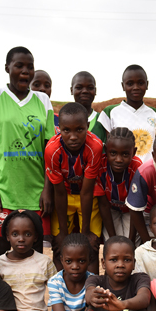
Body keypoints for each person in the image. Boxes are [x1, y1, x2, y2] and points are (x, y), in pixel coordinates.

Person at [0, 47, 55, 253]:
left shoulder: (43, 101)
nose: (25, 71)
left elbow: (50, 149)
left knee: (34, 257)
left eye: (30, 67)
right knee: (3, 255)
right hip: (3, 192)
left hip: (36, 193)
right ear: (7, 68)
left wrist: (47, 189)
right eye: (18, 66)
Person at [45, 103, 104, 271]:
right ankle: (60, 288)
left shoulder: (95, 146)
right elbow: (59, 193)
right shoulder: (52, 149)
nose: (73, 136)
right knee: (59, 245)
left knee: (91, 245)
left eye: (79, 130)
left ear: (88, 127)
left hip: (88, 195)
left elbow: (86, 192)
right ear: (59, 129)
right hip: (63, 195)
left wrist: (85, 231)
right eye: (66, 130)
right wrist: (63, 232)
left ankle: (91, 289)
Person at [93, 65, 156, 162]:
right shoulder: (110, 112)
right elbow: (107, 146)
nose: (136, 87)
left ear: (147, 84)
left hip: (148, 172)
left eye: (140, 83)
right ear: (123, 86)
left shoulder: (154, 113)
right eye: (130, 83)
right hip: (122, 171)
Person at [95, 128, 142, 240]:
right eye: (113, 153)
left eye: (125, 154)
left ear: (134, 152)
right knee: (112, 244)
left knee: (130, 244)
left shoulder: (137, 167)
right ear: (106, 150)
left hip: (131, 211)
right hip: (110, 209)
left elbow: (135, 207)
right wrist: (112, 239)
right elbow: (103, 205)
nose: (119, 159)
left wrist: (130, 240)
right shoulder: (100, 166)